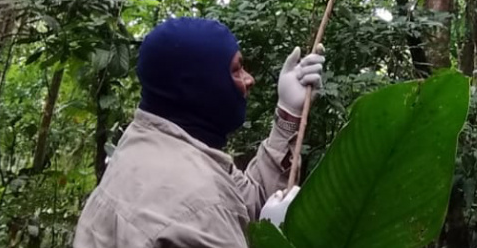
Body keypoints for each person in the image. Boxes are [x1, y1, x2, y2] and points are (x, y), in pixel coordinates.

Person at [74, 17, 323, 247]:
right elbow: (213, 207)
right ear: (199, 86)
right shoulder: (201, 206)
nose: (249, 80)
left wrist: (288, 113)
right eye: (236, 70)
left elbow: (247, 201)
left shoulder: (150, 141)